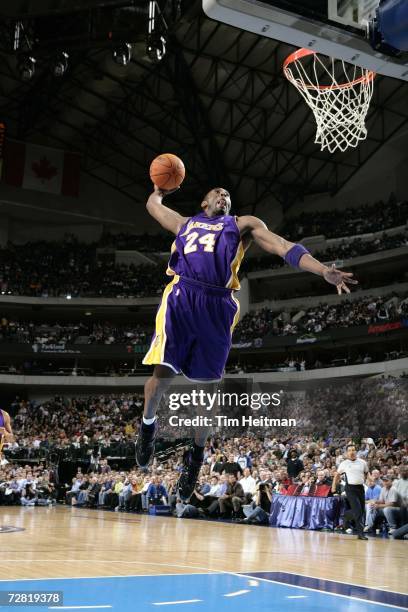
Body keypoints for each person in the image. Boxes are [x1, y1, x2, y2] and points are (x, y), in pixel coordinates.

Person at [135, 185, 357, 501]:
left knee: (207, 397)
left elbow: (282, 245)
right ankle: (147, 428)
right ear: (204, 201)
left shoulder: (242, 225)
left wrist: (322, 270)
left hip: (218, 305)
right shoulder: (185, 224)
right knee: (163, 376)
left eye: (227, 194)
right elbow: (153, 206)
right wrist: (159, 190)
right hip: (182, 296)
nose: (223, 196)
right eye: (217, 193)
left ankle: (195, 459)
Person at [332, 443, 369, 540]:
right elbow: (337, 475)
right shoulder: (344, 463)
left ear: (356, 451)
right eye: (349, 450)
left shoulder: (362, 462)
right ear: (347, 453)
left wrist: (367, 480)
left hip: (360, 488)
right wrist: (333, 487)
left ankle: (345, 516)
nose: (352, 452)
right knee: (357, 511)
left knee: (361, 511)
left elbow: (366, 472)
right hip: (350, 489)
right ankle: (360, 534)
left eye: (353, 450)